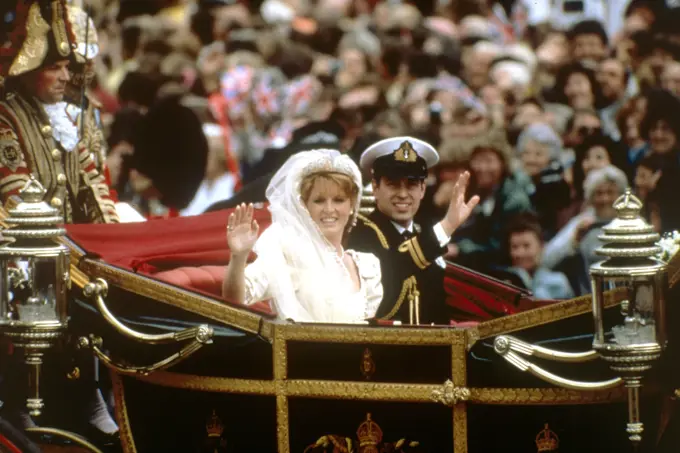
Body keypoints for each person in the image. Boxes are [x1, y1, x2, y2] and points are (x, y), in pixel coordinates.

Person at [222, 149, 383, 324]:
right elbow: (236, 299)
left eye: (338, 200)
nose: (329, 209)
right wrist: (238, 257)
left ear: (351, 205)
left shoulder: (367, 266)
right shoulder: (286, 251)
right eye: (319, 201)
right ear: (304, 207)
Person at [0, 0, 118, 223]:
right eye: (54, 68)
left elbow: (93, 183)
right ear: (30, 72)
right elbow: (17, 198)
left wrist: (110, 231)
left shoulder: (62, 118)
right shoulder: (6, 119)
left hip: (72, 243)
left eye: (66, 67)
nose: (65, 77)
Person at [347, 137, 479, 325]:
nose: (403, 194)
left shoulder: (421, 233)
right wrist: (447, 226)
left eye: (411, 184)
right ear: (375, 188)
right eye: (393, 184)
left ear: (423, 189)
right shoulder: (361, 231)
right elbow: (392, 269)